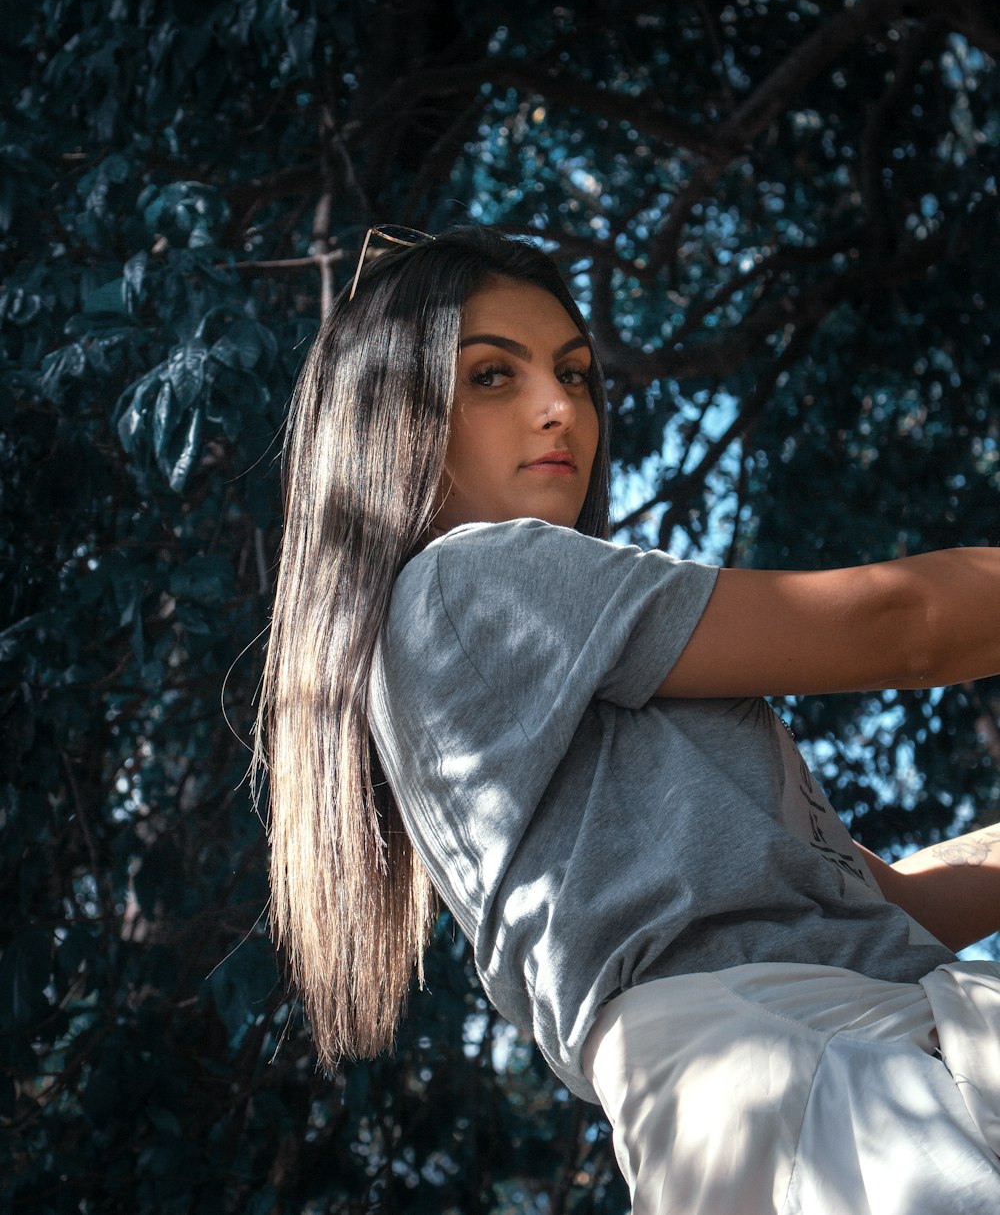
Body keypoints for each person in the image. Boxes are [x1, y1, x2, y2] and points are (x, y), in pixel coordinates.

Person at [253, 224, 1000, 1214]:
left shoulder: (555, 671)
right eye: (490, 376)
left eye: (573, 372)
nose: (559, 406)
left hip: (817, 1088)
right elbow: (902, 627)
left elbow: (893, 899)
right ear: (392, 413)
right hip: (833, 1089)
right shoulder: (477, 581)